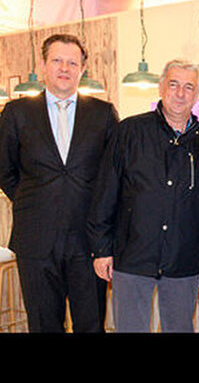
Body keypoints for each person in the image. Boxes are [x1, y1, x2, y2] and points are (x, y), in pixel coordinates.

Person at [87, 59, 199, 333]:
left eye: (188, 87)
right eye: (173, 85)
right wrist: (101, 249)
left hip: (183, 256)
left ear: (197, 94)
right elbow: (106, 191)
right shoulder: (129, 131)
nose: (180, 93)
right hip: (133, 255)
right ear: (161, 87)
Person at [0, 34, 119, 333]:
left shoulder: (103, 114)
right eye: (57, 61)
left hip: (88, 242)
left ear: (82, 69)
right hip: (35, 240)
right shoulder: (16, 113)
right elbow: (4, 170)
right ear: (43, 65)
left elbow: (114, 177)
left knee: (91, 325)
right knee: (43, 325)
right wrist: (33, 200)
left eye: (72, 63)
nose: (64, 68)